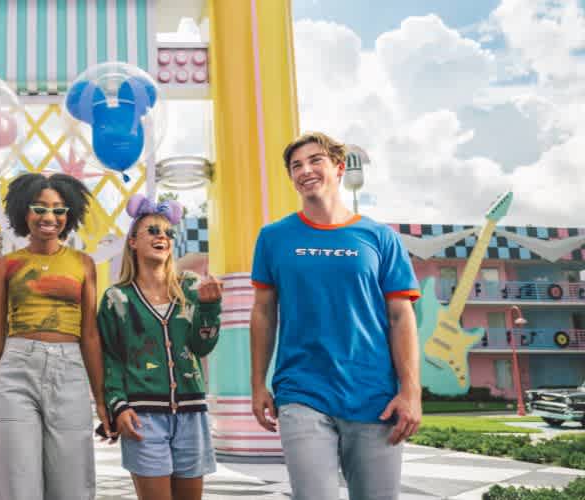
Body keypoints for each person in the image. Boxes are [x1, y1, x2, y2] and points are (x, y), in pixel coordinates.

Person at [250, 132, 422, 500]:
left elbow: (400, 317)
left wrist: (410, 391)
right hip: (302, 390)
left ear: (339, 168)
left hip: (375, 396)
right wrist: (257, 384)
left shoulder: (379, 238)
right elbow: (263, 313)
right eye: (296, 165)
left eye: (315, 160)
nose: (305, 170)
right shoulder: (273, 237)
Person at [0, 172, 108, 500]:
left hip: (70, 369)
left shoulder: (84, 264)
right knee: (17, 483)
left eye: (59, 210)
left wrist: (102, 400)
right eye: (39, 208)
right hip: (15, 370)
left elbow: (90, 335)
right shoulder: (6, 265)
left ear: (69, 215)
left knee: (73, 485)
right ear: (23, 211)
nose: (49, 217)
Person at [97, 195, 223, 500]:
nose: (162, 237)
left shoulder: (191, 288)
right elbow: (110, 359)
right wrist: (118, 406)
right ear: (132, 242)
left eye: (168, 233)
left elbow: (201, 347)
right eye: (152, 231)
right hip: (143, 415)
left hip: (192, 413)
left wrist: (210, 308)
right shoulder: (117, 299)